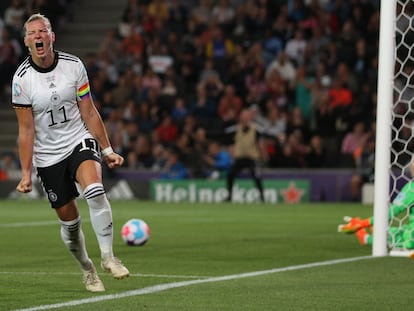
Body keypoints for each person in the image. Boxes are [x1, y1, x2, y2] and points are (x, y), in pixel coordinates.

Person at [11, 14, 129, 292]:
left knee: (96, 190)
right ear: (27, 42)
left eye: (43, 30)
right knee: (71, 224)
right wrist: (26, 173)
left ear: (52, 36)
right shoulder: (22, 80)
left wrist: (107, 149)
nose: (38, 35)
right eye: (32, 33)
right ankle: (87, 269)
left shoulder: (73, 66)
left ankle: (109, 257)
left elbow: (88, 110)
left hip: (78, 139)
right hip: (48, 156)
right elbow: (26, 131)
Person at [338, 160, 414, 250]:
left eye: (412, 163)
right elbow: (391, 212)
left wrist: (363, 223)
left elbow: (391, 212)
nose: (410, 166)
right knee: (404, 237)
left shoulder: (411, 189)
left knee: (406, 240)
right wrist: (364, 223)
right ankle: (368, 235)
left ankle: (369, 233)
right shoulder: (411, 188)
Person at [225, 109, 265, 202]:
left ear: (250, 118)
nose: (244, 118)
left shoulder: (256, 129)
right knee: (230, 174)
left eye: (246, 116)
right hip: (240, 157)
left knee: (256, 175)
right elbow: (226, 136)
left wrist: (262, 155)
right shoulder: (236, 128)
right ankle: (229, 196)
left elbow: (263, 138)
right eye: (243, 116)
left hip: (252, 157)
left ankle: (262, 197)